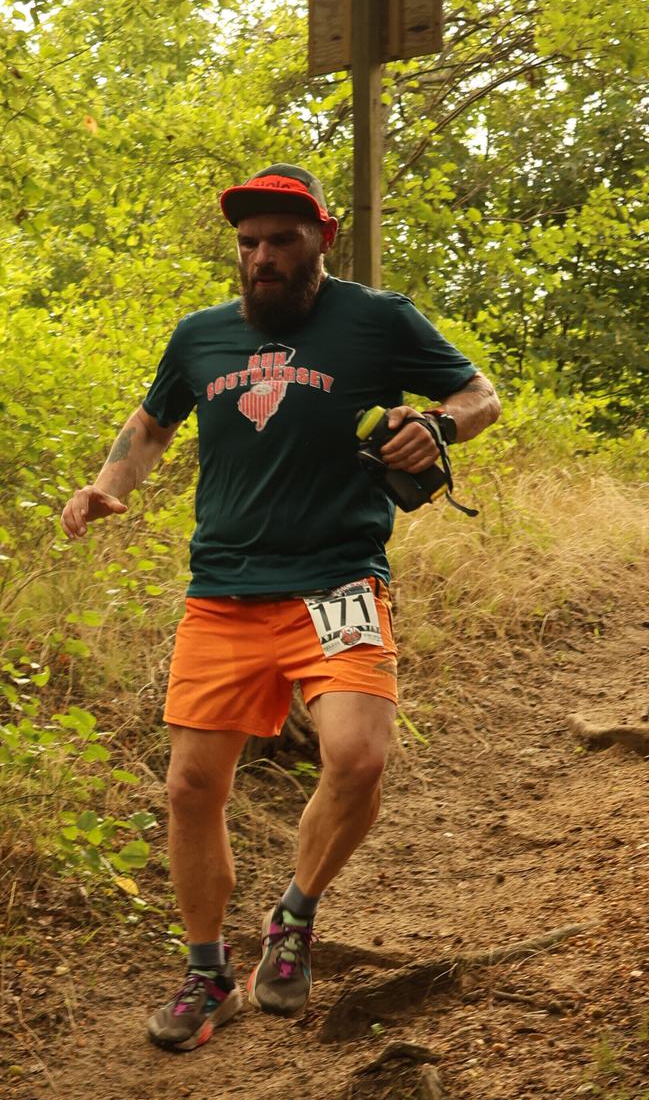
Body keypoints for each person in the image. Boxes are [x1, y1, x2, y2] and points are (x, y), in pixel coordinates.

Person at [61, 164, 500, 1050]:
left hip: (338, 583)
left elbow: (480, 394)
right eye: (249, 243)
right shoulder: (200, 337)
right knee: (191, 788)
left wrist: (439, 427)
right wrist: (109, 485)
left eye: (281, 241)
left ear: (321, 241)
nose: (262, 257)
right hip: (223, 593)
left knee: (359, 757)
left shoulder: (377, 319)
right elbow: (150, 427)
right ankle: (206, 974)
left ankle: (293, 919)